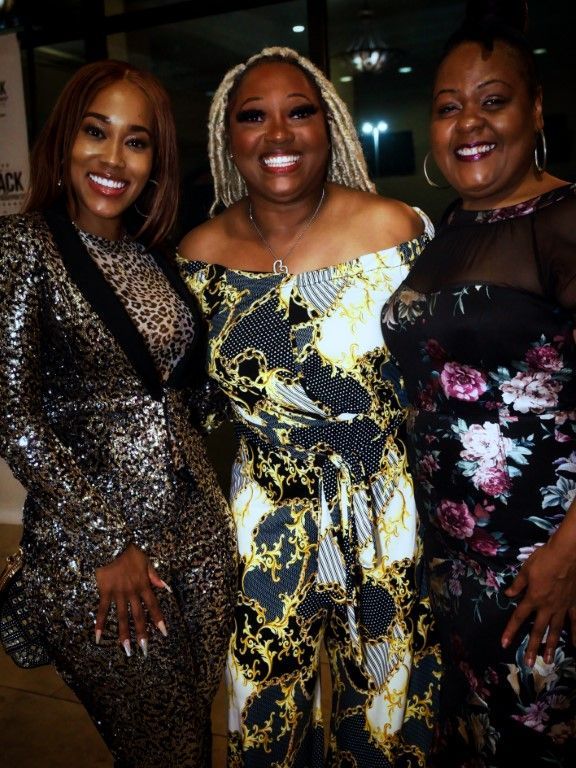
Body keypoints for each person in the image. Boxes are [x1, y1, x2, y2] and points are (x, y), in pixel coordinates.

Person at [177, 46, 441, 767]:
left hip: (385, 506)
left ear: (330, 127)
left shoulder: (396, 233)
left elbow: (446, 384)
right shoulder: (198, 258)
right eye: (253, 117)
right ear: (228, 138)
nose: (279, 134)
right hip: (267, 516)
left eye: (300, 113)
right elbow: (182, 411)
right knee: (265, 709)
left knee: (386, 716)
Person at [0, 59, 236, 767]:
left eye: (136, 141)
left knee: (189, 742)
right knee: (163, 750)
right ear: (63, 141)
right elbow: (13, 416)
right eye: (95, 133)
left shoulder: (155, 256)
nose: (112, 159)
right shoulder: (24, 248)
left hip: (200, 546)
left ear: (156, 160)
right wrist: (108, 544)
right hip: (104, 564)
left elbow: (183, 399)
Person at [381, 0, 576, 765]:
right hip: (452, 572)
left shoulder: (562, 221)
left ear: (534, 109)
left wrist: (569, 555)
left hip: (546, 571)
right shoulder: (446, 231)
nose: (471, 124)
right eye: (449, 107)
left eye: (493, 102)